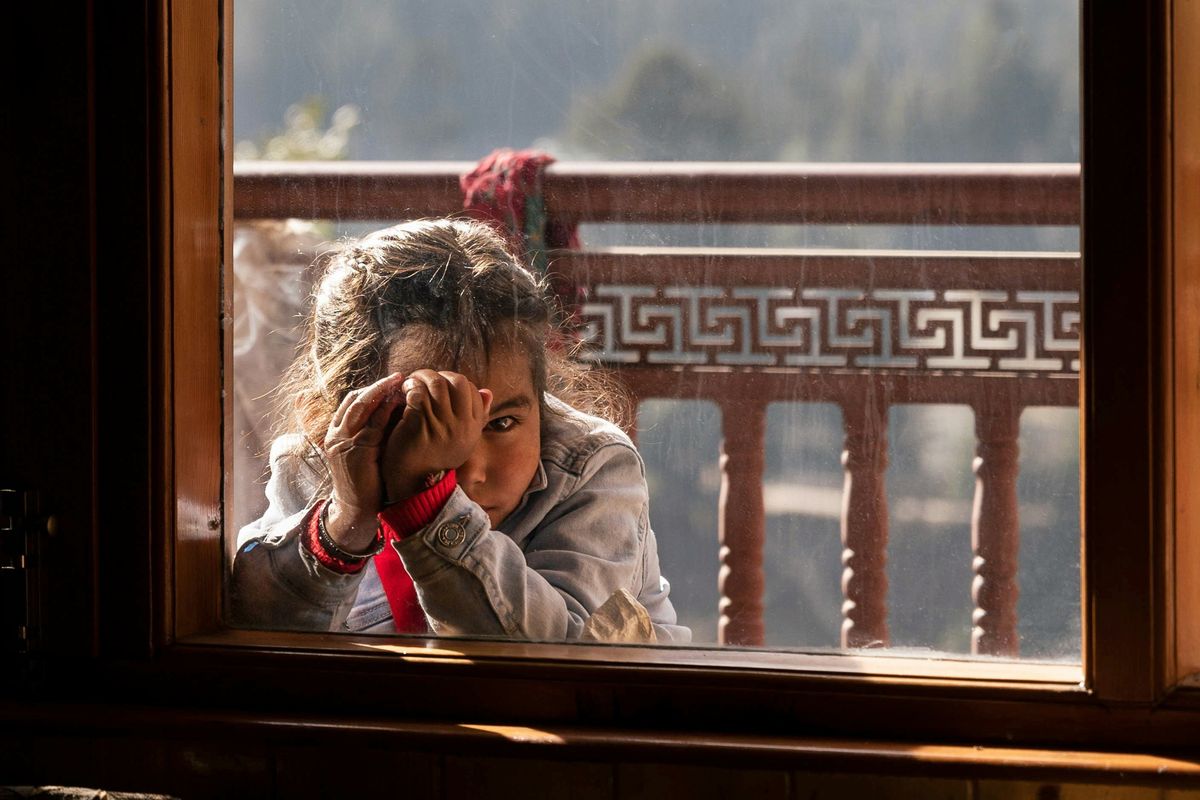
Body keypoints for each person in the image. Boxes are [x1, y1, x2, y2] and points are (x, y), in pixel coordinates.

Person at [229, 217, 690, 643]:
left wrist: (428, 509)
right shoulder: (321, 461)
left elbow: (555, 661)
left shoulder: (592, 469)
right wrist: (346, 519)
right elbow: (259, 632)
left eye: (502, 423)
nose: (467, 475)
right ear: (340, 411)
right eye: (421, 420)